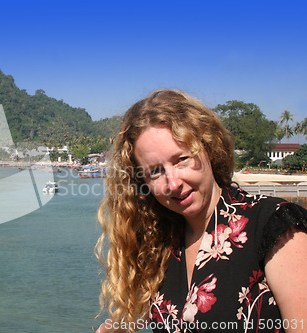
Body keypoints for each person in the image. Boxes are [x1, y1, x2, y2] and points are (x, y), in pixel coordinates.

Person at [95, 89, 307, 333]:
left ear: (207, 146)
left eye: (181, 159)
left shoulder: (275, 225)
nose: (173, 183)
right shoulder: (162, 245)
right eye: (155, 171)